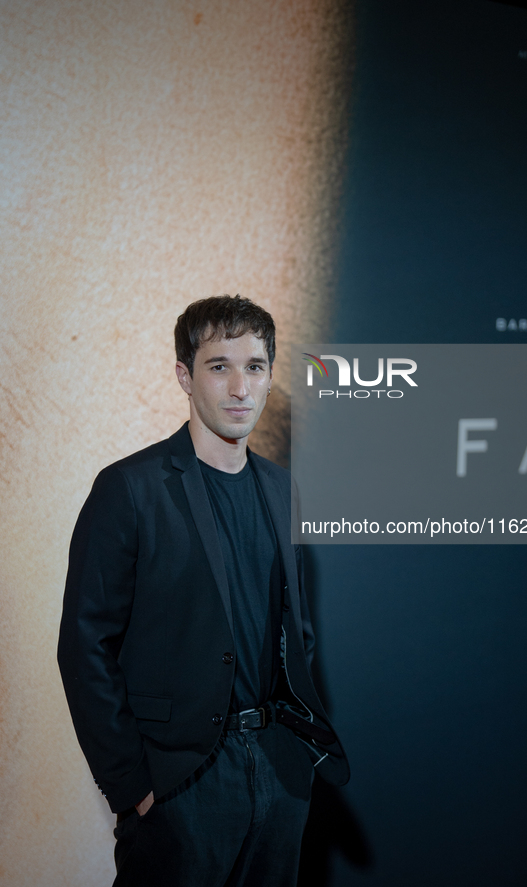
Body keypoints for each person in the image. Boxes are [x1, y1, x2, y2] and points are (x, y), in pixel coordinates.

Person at [57, 294, 349, 887]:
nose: (241, 387)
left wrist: (293, 752)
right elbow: (84, 646)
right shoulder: (128, 488)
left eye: (256, 367)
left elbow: (300, 634)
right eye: (220, 367)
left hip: (277, 768)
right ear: (185, 376)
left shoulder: (280, 488)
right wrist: (134, 788)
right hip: (180, 782)